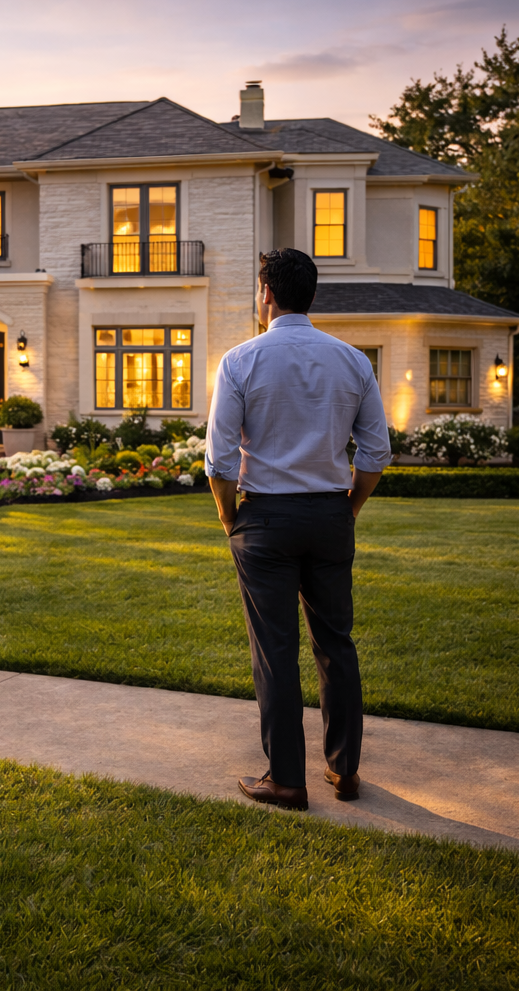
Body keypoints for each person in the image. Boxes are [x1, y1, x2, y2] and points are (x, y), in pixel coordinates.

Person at [205, 248, 392, 811]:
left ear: (266, 295)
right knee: (337, 644)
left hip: (265, 518)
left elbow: (219, 459)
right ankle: (345, 771)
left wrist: (228, 516)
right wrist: (350, 507)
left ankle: (286, 781)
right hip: (331, 515)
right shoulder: (354, 361)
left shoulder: (240, 360)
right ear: (312, 296)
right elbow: (377, 452)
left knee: (276, 651)